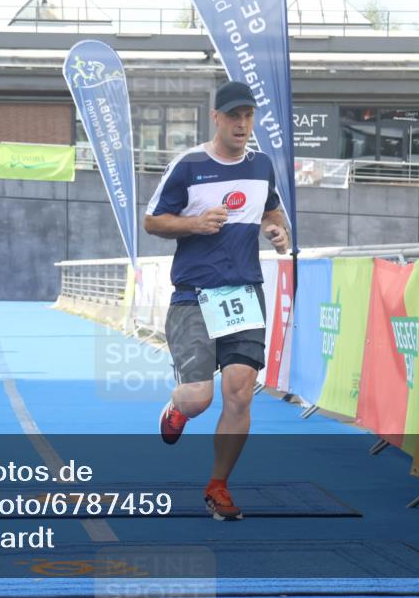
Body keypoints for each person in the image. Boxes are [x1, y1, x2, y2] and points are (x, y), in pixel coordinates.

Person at [144, 81, 290, 521]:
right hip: (193, 295)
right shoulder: (188, 166)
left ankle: (217, 486)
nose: (242, 124)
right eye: (234, 116)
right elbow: (152, 221)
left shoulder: (262, 165)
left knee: (241, 392)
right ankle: (177, 408)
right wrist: (194, 224)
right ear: (217, 118)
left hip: (244, 292)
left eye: (248, 115)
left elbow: (272, 209)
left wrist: (276, 229)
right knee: (199, 398)